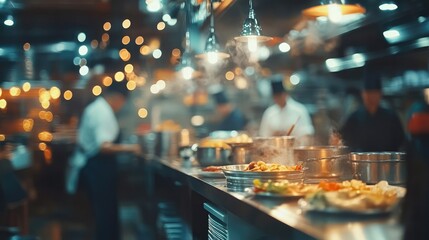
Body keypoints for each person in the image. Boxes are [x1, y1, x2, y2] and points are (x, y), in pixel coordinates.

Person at [71, 80, 141, 240]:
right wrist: (132, 148)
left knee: (102, 212)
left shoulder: (97, 107)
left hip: (94, 166)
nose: (122, 106)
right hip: (98, 167)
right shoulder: (103, 112)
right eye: (123, 102)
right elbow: (104, 147)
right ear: (117, 98)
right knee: (104, 213)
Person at [336, 72, 405, 152]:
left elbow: (401, 143)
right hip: (359, 162)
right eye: (367, 93)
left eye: (374, 94)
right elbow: (343, 141)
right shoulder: (353, 118)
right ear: (363, 94)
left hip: (386, 162)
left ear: (380, 94)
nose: (370, 97)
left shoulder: (391, 117)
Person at [259, 74, 315, 145]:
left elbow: (307, 135)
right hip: (275, 152)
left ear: (285, 94)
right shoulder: (269, 113)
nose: (278, 99)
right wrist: (274, 137)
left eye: (280, 95)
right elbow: (263, 136)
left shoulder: (299, 110)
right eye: (275, 96)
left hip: (296, 151)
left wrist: (291, 139)